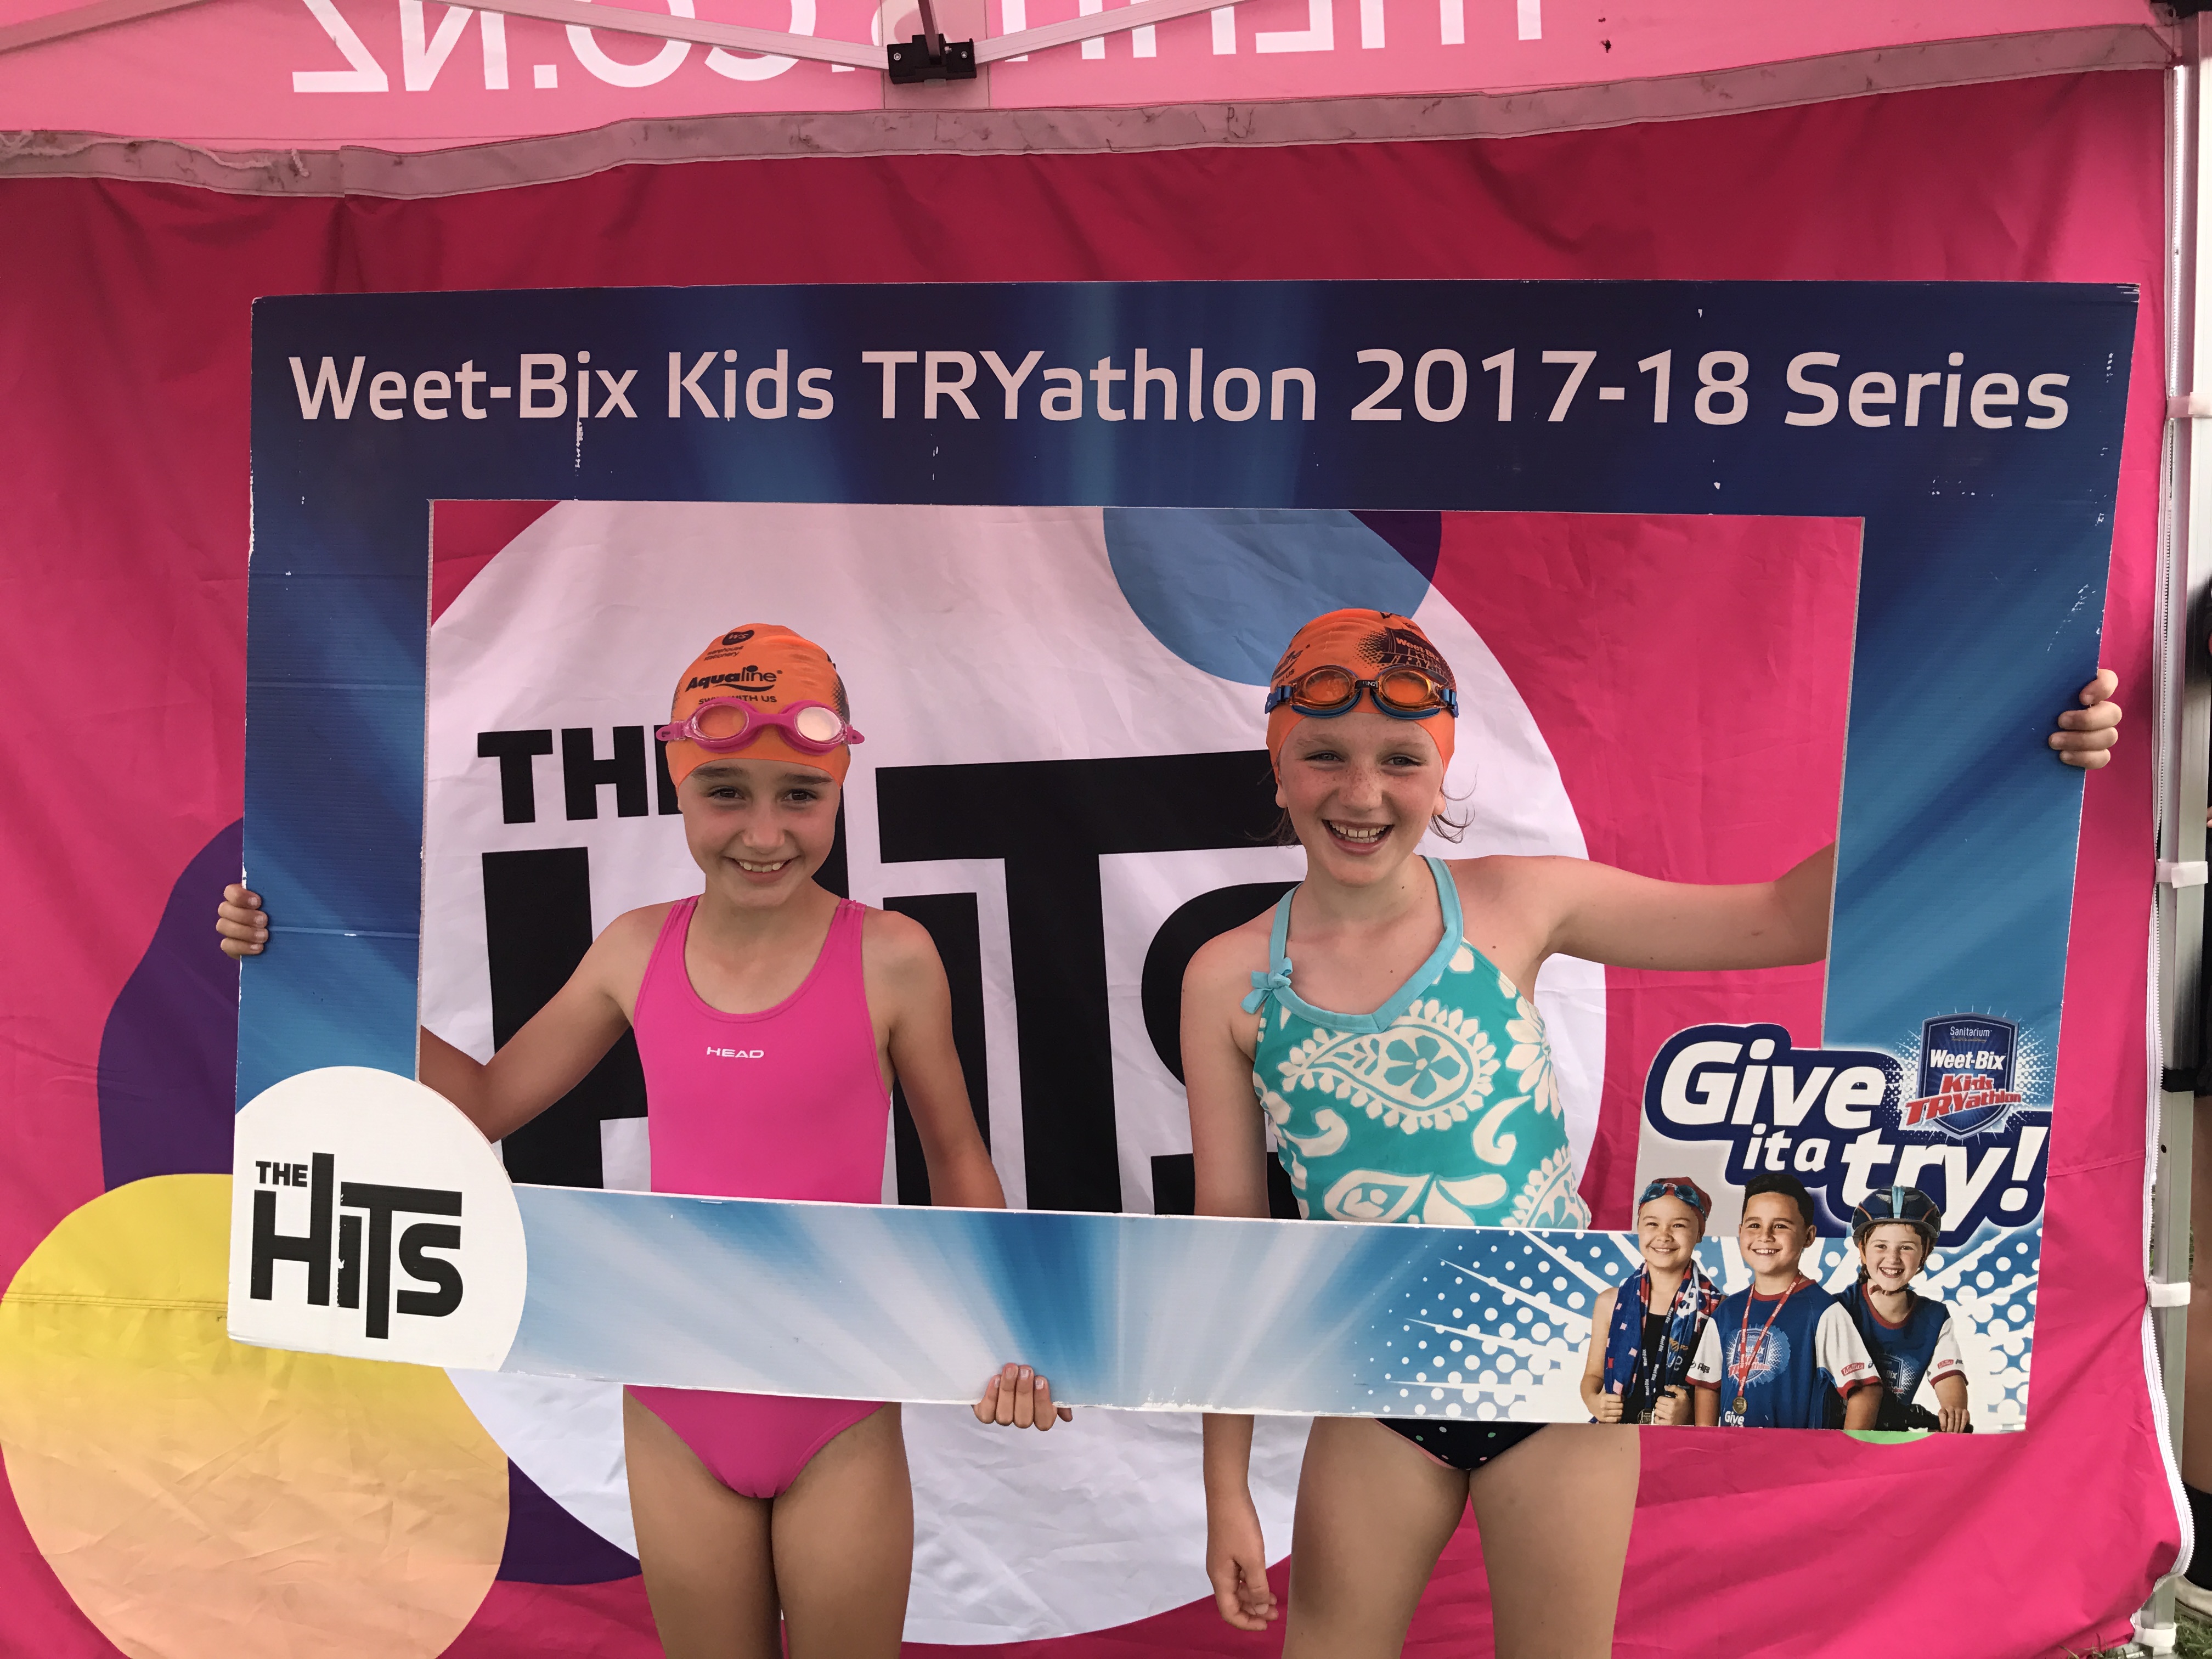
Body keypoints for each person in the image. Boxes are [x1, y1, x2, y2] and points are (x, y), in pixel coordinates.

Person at [1181, 607, 2120, 1658]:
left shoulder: (1516, 904)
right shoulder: (1226, 978)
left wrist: (1999, 763)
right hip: (1375, 1380)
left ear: (1440, 775)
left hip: (1562, 1367)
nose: (1361, 792)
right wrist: (1224, 1487)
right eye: (1323, 754)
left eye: (1400, 757)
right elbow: (1226, 1247)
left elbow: (1785, 914)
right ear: (1276, 768)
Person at [218, 624, 1062, 1659]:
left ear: (840, 789)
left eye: (800, 795)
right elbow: (483, 1102)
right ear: (677, 787)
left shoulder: (892, 956)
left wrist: (1004, 1327)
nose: (764, 832)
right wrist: (305, 952)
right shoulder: (634, 948)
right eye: (726, 792)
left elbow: (956, 1154)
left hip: (838, 1401)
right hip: (675, 1403)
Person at [1687, 1171, 1878, 1430]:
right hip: (1732, 1453)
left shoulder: (1823, 1311)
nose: (1765, 1236)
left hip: (1795, 1455)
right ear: (1740, 1232)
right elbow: (1707, 1385)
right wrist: (1706, 1446)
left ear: (1809, 1236)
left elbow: (1866, 1391)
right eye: (1754, 1225)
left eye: (1780, 1226)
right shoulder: (1727, 1311)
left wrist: (1845, 1452)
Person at [1581, 1177, 1719, 1429]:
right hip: (1614, 1437)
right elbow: (1593, 1376)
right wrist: (1594, 1401)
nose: (1663, 1235)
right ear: (1639, 1228)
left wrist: (1688, 1415)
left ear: (1699, 1233)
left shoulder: (1718, 1310)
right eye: (1652, 1224)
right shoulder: (1610, 1303)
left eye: (1678, 1225)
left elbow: (1722, 1395)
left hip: (1680, 1443)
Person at [1834, 1186, 1970, 1433]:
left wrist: (1954, 1411)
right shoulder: (1836, 1309)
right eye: (1881, 1246)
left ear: (1925, 1253)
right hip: (1834, 1439)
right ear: (1863, 1251)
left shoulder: (1934, 1318)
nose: (1893, 1258)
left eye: (1906, 1247)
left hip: (1891, 1441)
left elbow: (1949, 1376)